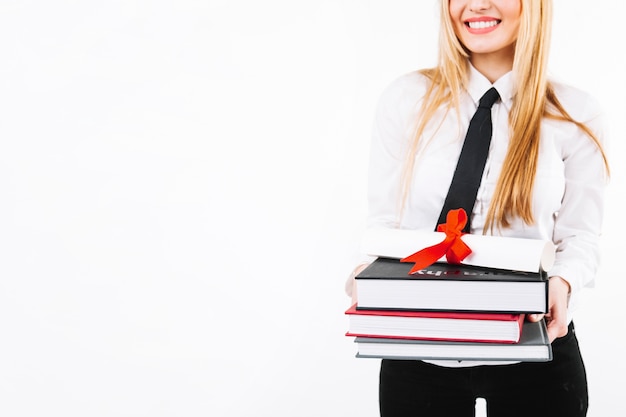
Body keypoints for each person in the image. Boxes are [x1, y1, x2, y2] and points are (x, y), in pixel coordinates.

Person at [345, 0, 610, 416]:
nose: (477, 4)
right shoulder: (405, 100)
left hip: (534, 349)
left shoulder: (575, 113)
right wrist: (370, 272)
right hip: (421, 353)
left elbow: (580, 237)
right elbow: (385, 221)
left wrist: (564, 282)